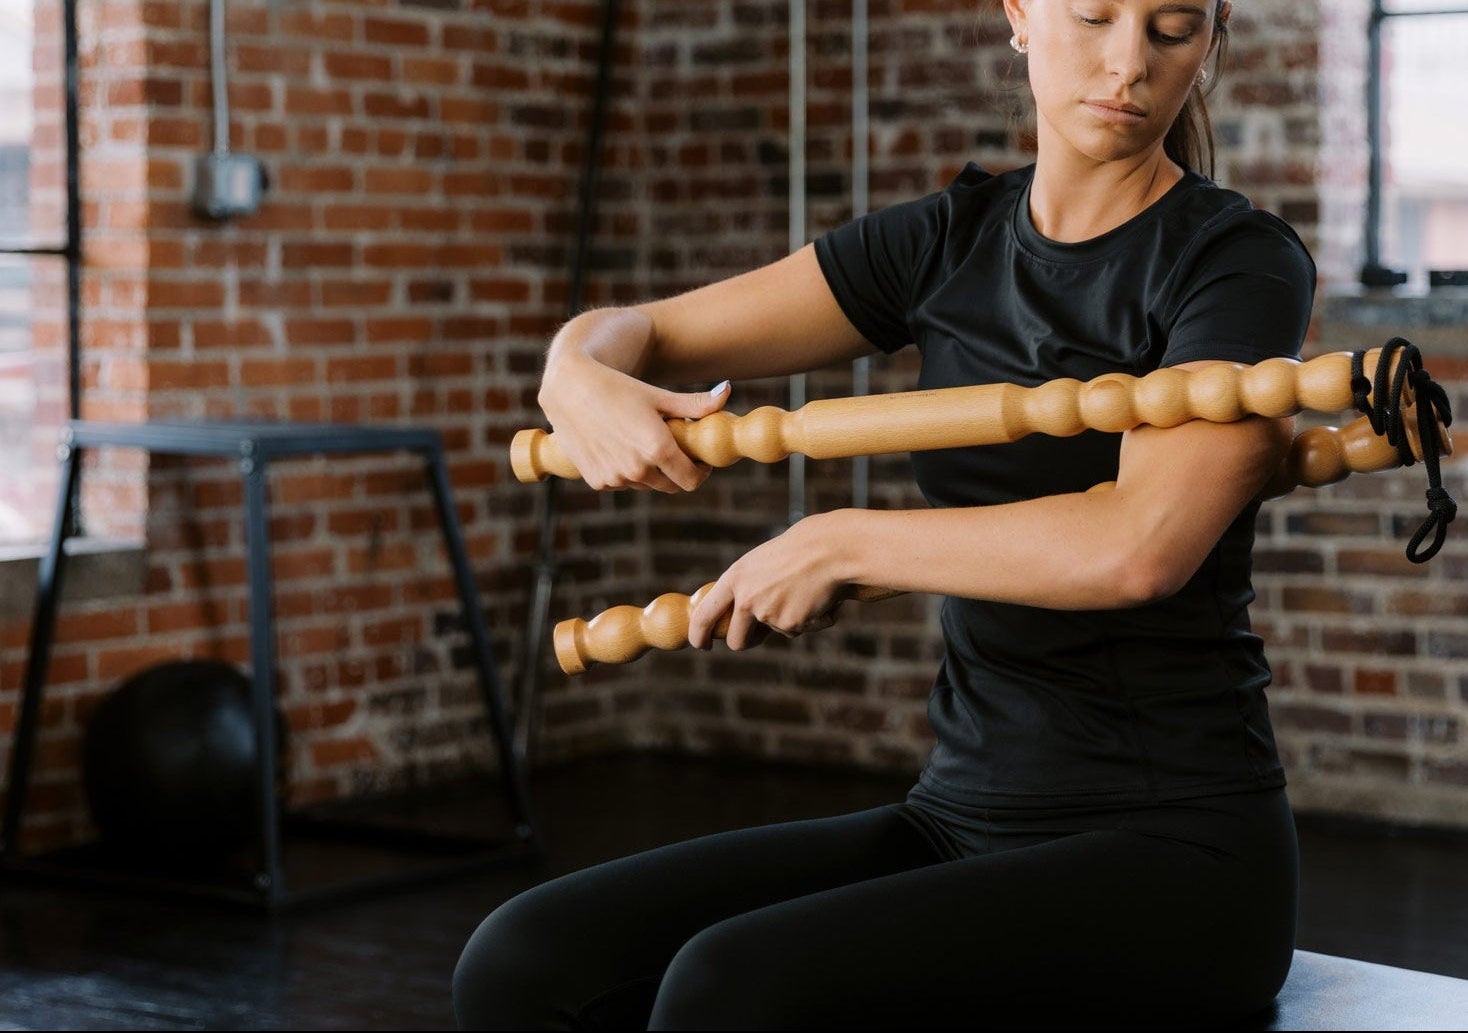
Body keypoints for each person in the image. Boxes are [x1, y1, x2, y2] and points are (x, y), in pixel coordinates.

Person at [454, 0, 1315, 1027]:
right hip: (958, 813)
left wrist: (843, 544)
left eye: (1172, 30)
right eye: (1092, 16)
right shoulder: (948, 242)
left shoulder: (1236, 260)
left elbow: (1137, 547)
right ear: (1020, 17)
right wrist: (573, 368)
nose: (1128, 62)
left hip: (1178, 845)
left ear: (1207, 44)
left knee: (727, 995)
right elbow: (642, 333)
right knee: (522, 962)